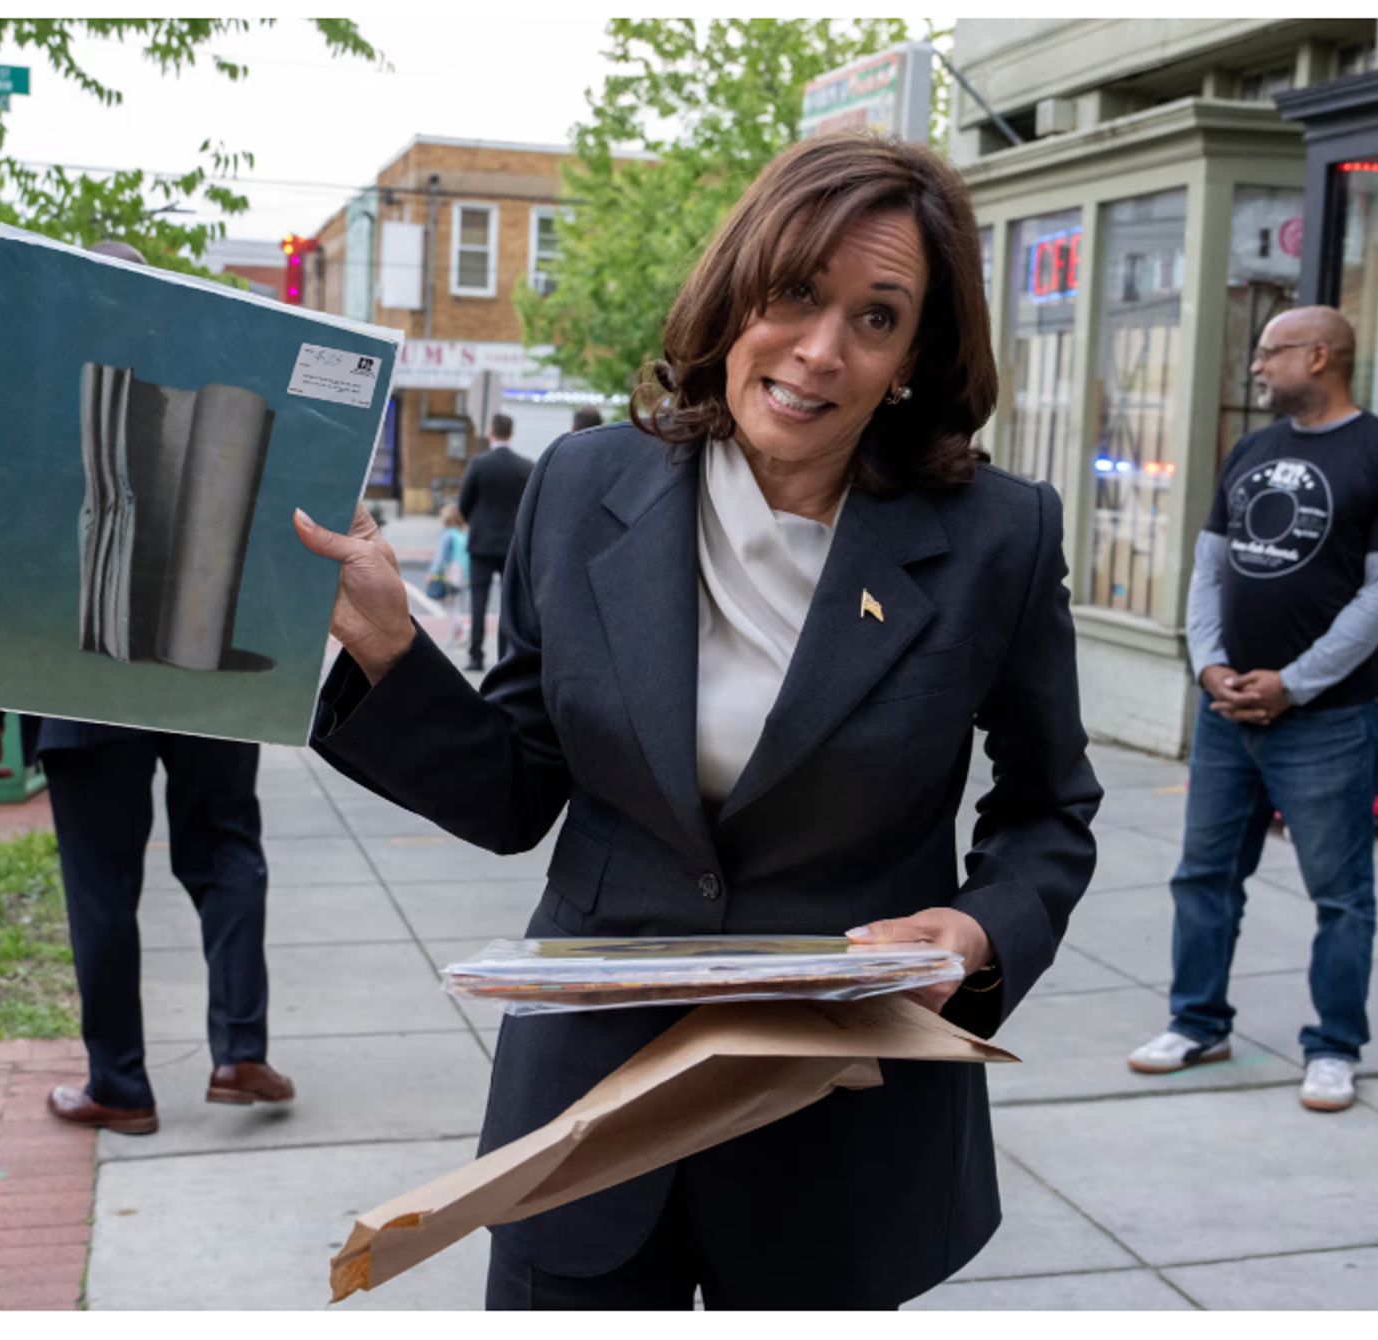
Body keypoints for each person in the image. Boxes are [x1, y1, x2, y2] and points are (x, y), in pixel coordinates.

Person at [294, 134, 1100, 1310]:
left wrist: (975, 931)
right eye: (794, 293)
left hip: (832, 1126)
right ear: (736, 292)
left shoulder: (995, 537)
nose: (819, 350)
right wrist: (385, 649)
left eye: (875, 318)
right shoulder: (581, 486)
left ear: (914, 354)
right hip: (585, 1115)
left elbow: (1047, 809)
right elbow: (518, 787)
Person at [0, 237, 293, 1137]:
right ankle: (237, 1050)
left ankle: (121, 1086)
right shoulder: (227, 371)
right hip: (206, 674)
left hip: (82, 678)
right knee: (225, 849)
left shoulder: (47, 389)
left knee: (100, 885)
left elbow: (10, 554)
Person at [1129, 306, 1378, 1115]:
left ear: (1321, 356)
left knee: (1340, 895)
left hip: (1327, 722)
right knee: (1204, 879)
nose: (1258, 366)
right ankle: (1196, 1023)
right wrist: (1211, 664)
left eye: (1271, 352)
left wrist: (1293, 682)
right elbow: (1208, 568)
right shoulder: (1254, 449)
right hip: (1227, 716)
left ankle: (1334, 1048)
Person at [455, 412, 533, 672]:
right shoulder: (525, 466)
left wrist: (473, 523)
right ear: (511, 433)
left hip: (481, 542)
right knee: (507, 603)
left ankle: (476, 655)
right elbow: (529, 507)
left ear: (492, 432)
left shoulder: (479, 464)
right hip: (512, 543)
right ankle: (503, 656)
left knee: (478, 600)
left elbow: (464, 502)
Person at [431, 503, 471, 645]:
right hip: (467, 572)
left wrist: (433, 573)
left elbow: (441, 557)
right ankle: (460, 631)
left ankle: (459, 629)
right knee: (462, 603)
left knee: (448, 603)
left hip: (452, 571)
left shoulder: (447, 533)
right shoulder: (464, 531)